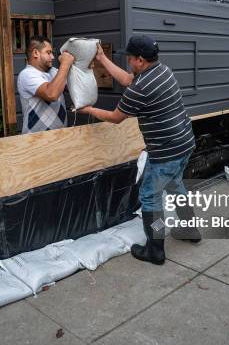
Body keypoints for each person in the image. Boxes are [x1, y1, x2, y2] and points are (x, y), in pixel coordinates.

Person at [79, 35, 201, 266]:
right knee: (176, 186)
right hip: (185, 143)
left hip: (166, 152)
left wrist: (89, 110)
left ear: (141, 60)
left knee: (150, 197)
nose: (128, 62)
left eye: (131, 58)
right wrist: (103, 59)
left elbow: (116, 118)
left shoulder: (141, 88)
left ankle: (155, 249)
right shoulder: (163, 71)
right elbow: (127, 79)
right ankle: (190, 230)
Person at [17, 35, 74, 134]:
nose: (52, 57)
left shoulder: (54, 71)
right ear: (36, 53)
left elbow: (74, 87)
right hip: (35, 140)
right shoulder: (26, 75)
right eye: (48, 53)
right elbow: (51, 94)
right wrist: (65, 64)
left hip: (60, 136)